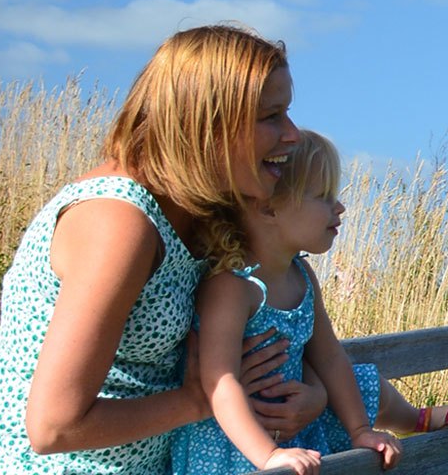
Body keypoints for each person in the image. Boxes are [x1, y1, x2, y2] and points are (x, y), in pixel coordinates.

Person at [0, 23, 332, 474]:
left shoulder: (208, 210)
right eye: (271, 116)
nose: (292, 134)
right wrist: (196, 402)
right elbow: (53, 428)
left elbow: (293, 324)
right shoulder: (119, 224)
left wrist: (315, 393)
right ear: (208, 123)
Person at [171, 130, 403, 474]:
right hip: (233, 448)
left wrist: (359, 430)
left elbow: (329, 356)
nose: (338, 207)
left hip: (291, 437)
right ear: (268, 208)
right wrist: (267, 455)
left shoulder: (301, 274)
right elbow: (221, 382)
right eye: (323, 196)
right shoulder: (233, 285)